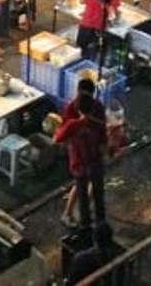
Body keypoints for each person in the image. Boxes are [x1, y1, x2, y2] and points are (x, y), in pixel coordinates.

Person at [54, 93, 107, 230]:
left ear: (78, 109)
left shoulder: (73, 125)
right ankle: (75, 212)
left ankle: (73, 212)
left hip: (80, 163)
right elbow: (104, 141)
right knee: (86, 185)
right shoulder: (96, 124)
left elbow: (57, 138)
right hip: (90, 161)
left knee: (81, 186)